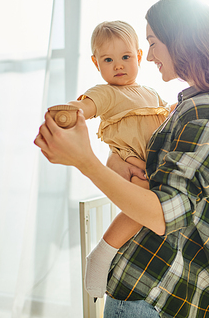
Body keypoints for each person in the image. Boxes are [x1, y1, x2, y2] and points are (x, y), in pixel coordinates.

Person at [35, 0, 209, 318]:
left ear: (181, 41)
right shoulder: (188, 107)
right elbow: (151, 179)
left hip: (150, 295)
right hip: (148, 292)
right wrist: (117, 163)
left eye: (153, 43)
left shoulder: (206, 115)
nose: (151, 56)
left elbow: (161, 214)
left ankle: (100, 254)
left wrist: (85, 161)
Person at [50, 20, 171, 298]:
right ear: (96, 63)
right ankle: (103, 253)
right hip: (129, 163)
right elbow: (86, 107)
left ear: (139, 57)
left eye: (126, 57)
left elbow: (165, 114)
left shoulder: (150, 92)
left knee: (155, 209)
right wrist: (69, 111)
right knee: (143, 199)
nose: (118, 65)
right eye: (108, 59)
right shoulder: (106, 93)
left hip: (152, 165)